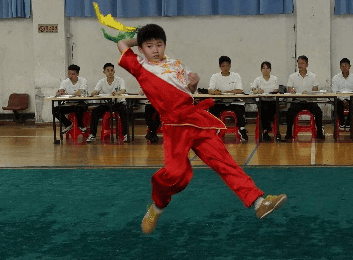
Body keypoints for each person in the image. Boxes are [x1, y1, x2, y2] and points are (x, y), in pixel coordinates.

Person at [116, 24, 287, 234]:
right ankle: (157, 207)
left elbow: (188, 90)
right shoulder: (139, 66)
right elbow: (121, 43)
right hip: (174, 127)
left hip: (196, 120)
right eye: (149, 46)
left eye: (159, 45)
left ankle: (259, 203)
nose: (155, 49)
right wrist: (138, 38)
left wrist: (193, 84)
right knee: (176, 175)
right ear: (142, 49)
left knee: (225, 161)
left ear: (165, 45)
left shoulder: (175, 63)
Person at [284, 55, 325, 140]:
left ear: (307, 65)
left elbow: (315, 90)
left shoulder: (313, 76)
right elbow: (289, 88)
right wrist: (291, 90)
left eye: (302, 63)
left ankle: (320, 133)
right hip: (297, 101)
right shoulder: (292, 76)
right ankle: (288, 134)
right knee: (289, 113)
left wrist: (309, 93)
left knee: (318, 112)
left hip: (310, 101)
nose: (300, 65)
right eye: (299, 63)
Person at [207, 55, 249, 141]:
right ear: (220, 67)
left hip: (233, 102)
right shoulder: (215, 76)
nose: (225, 68)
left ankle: (241, 130)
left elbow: (240, 90)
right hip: (220, 102)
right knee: (212, 109)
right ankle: (214, 130)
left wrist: (230, 92)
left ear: (230, 66)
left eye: (227, 66)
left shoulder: (236, 76)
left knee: (240, 108)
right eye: (223, 66)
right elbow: (210, 90)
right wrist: (215, 92)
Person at [85, 63, 129, 143]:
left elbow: (123, 90)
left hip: (118, 103)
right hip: (107, 104)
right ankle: (93, 135)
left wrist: (117, 93)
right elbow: (95, 91)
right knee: (95, 112)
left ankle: (126, 135)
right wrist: (94, 92)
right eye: (107, 70)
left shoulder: (119, 80)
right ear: (104, 72)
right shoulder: (101, 82)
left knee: (124, 111)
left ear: (114, 71)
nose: (110, 72)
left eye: (112, 70)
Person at [54, 64, 89, 135]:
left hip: (81, 103)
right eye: (69, 74)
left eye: (73, 74)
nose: (70, 76)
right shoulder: (65, 81)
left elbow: (79, 92)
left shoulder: (83, 80)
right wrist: (59, 92)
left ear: (77, 74)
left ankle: (80, 125)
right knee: (55, 110)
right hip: (69, 103)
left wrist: (68, 95)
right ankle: (68, 124)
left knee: (78, 108)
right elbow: (60, 89)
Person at [250, 61, 279, 141]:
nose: (266, 70)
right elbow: (253, 89)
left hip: (272, 101)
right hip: (262, 100)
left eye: (268, 68)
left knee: (270, 109)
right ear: (261, 70)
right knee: (263, 108)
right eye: (264, 68)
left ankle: (268, 129)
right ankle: (266, 130)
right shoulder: (258, 79)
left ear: (270, 70)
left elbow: (276, 89)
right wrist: (257, 90)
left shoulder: (274, 79)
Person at [331, 57, 353, 131]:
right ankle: (342, 122)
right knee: (337, 104)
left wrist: (349, 99)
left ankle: (348, 123)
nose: (344, 68)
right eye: (342, 66)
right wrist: (343, 100)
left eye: (346, 66)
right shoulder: (335, 78)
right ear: (340, 67)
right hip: (340, 98)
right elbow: (335, 92)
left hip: (351, 98)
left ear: (349, 67)